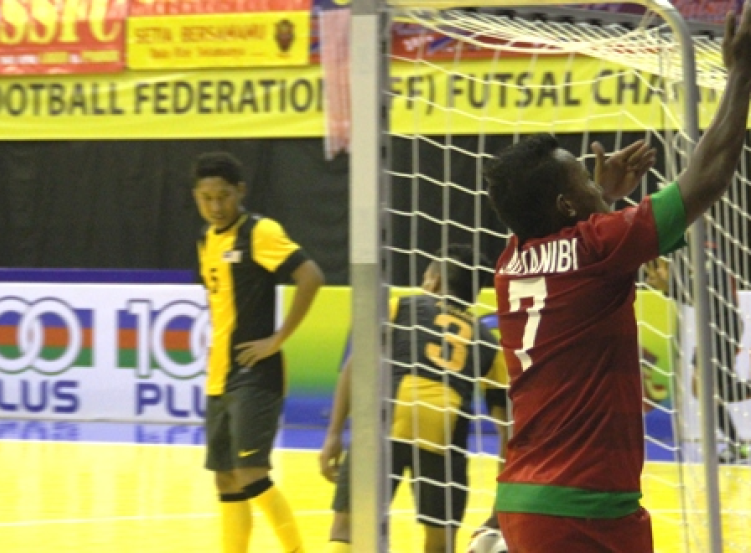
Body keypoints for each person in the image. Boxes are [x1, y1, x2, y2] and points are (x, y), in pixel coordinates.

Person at [484, 6, 751, 550]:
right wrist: (742, 73)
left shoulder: (510, 261)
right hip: (586, 507)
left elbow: (568, 252)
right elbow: (708, 177)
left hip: (527, 501)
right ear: (566, 206)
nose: (595, 184)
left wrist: (600, 196)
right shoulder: (597, 245)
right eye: (584, 180)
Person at [318, 245, 510, 553]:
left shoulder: (402, 307)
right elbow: (508, 431)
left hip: (389, 424)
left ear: (434, 281)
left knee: (346, 528)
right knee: (439, 544)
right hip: (444, 435)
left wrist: (333, 434)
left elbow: (356, 366)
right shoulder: (488, 342)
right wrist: (502, 504)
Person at [192, 151, 324, 553]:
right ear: (196, 197)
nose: (216, 207)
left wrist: (277, 339)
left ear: (241, 191)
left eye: (224, 197)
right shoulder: (205, 239)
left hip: (255, 372)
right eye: (207, 198)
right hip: (219, 374)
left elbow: (311, 277)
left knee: (250, 471)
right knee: (226, 478)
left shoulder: (260, 232)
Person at [645, 249, 751, 464]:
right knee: (700, 389)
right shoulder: (691, 255)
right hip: (710, 326)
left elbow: (704, 294)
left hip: (723, 325)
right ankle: (736, 444)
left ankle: (737, 445)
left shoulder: (710, 252)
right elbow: (697, 297)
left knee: (710, 390)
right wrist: (668, 287)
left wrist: (670, 286)